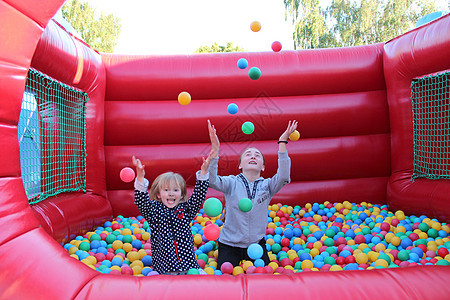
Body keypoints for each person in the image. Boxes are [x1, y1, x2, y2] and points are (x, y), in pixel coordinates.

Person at [207, 119, 298, 268]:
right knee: (226, 277)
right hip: (230, 244)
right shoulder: (231, 183)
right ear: (240, 165)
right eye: (248, 154)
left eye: (257, 155)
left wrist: (282, 142)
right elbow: (211, 180)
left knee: (264, 278)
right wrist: (215, 150)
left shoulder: (267, 185)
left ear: (263, 167)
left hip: (256, 245)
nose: (253, 156)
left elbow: (283, 177)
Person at [132, 147, 214, 275]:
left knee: (201, 280)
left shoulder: (186, 209)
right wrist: (140, 178)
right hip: (165, 268)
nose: (171, 194)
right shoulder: (154, 211)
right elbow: (141, 202)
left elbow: (198, 196)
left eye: (175, 190)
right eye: (166, 190)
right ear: (159, 194)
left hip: (188, 266)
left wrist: (203, 173)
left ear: (181, 195)